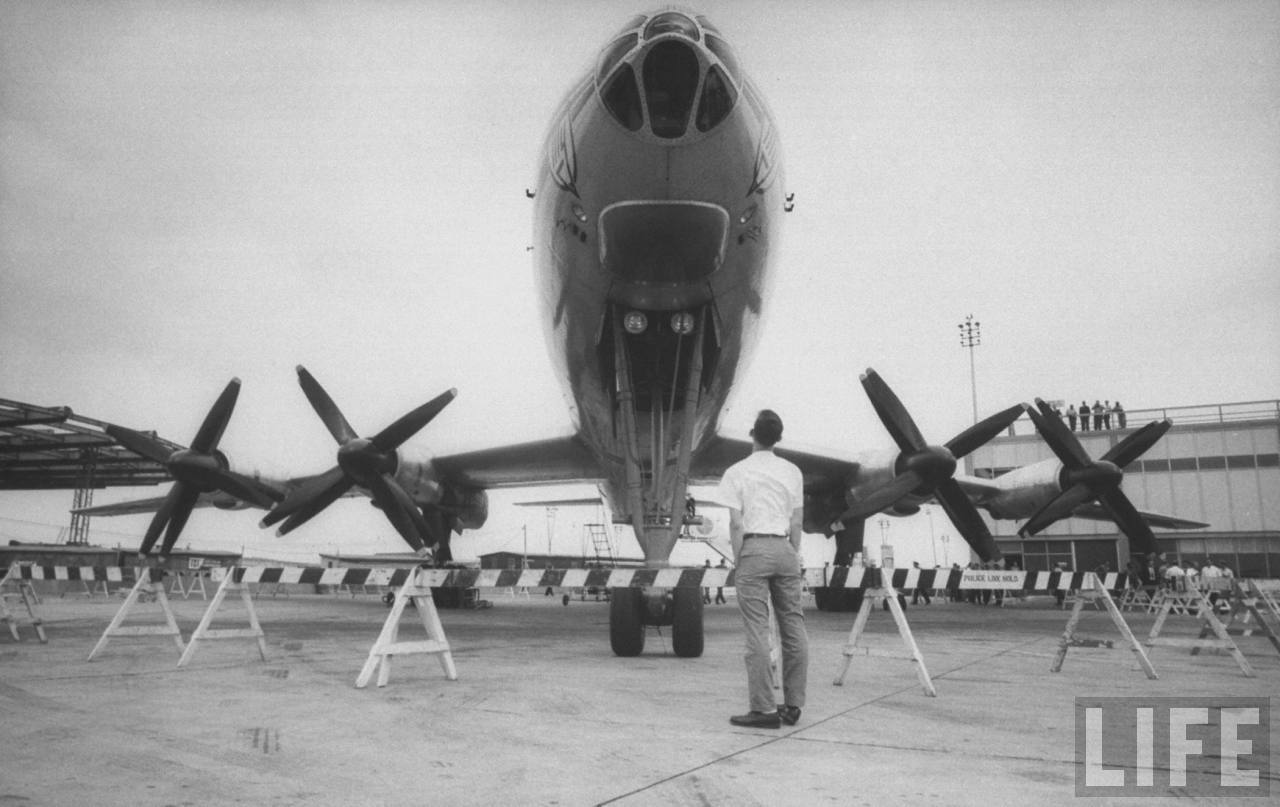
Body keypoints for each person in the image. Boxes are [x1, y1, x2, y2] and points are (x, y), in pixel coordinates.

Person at [716, 409, 807, 729]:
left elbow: (736, 523)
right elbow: (797, 521)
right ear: (778, 438)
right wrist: (792, 552)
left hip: (753, 547)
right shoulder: (793, 471)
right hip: (785, 547)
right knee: (793, 627)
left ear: (752, 434)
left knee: (757, 630)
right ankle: (793, 706)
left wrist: (740, 558)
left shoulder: (736, 472)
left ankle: (764, 709)